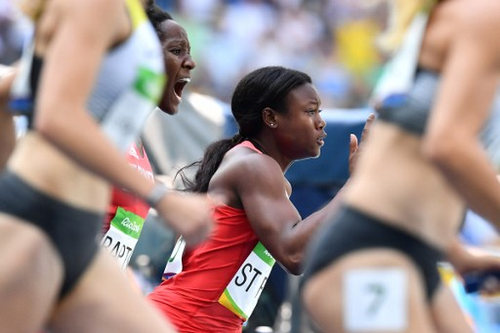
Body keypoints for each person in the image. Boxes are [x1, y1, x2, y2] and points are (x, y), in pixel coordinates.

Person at [0, 0, 212, 332]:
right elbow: (55, 116)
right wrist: (161, 197)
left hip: (79, 235)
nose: (189, 62)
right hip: (37, 221)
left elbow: (8, 90)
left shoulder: (132, 16)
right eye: (176, 52)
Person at [301, 1, 500, 332]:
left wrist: (459, 255)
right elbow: (448, 146)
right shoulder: (484, 14)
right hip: (369, 252)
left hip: (417, 250)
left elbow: (404, 162)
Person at [148, 65, 372, 332]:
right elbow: (294, 254)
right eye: (310, 111)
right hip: (182, 322)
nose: (320, 122)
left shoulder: (255, 168)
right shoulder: (255, 166)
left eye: (319, 112)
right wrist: (357, 184)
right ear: (271, 117)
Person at [101, 1, 197, 270]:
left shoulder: (137, 147)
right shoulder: (98, 126)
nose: (191, 62)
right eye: (176, 51)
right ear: (143, 53)